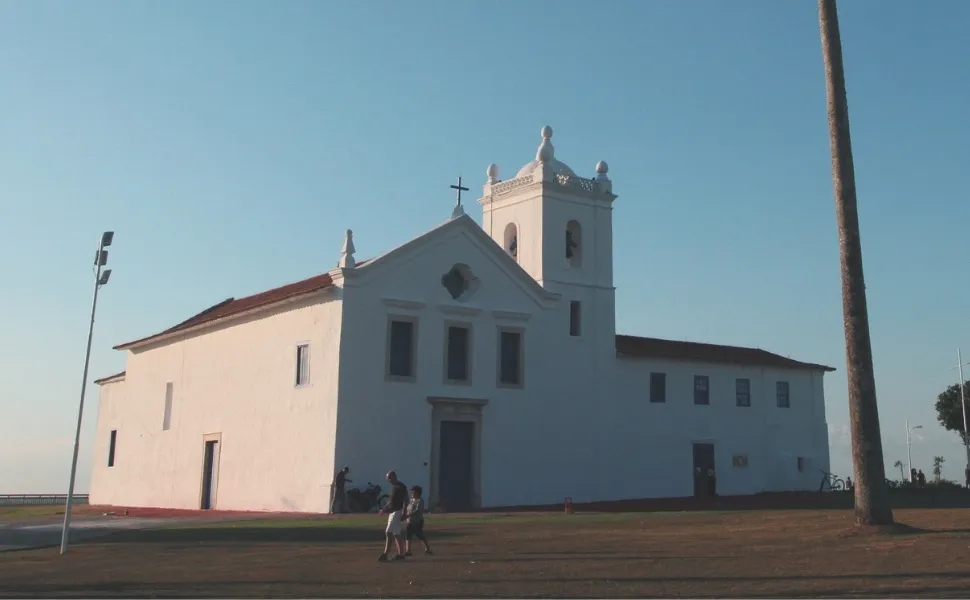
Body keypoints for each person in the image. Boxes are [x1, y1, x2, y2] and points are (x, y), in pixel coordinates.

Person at [378, 470, 408, 562]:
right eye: (388, 479)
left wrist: (404, 511)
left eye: (390, 478)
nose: (389, 480)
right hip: (392, 512)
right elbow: (391, 501)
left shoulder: (401, 487)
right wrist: (384, 509)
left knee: (389, 532)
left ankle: (386, 553)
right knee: (395, 533)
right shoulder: (394, 487)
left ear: (395, 476)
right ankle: (400, 554)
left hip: (397, 511)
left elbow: (406, 500)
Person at [404, 485, 432, 556]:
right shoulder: (411, 500)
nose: (412, 493)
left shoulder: (420, 500)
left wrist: (408, 515)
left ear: (417, 493)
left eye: (413, 492)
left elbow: (418, 510)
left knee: (420, 535)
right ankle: (408, 550)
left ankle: (428, 548)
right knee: (408, 534)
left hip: (417, 521)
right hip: (410, 521)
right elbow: (407, 508)